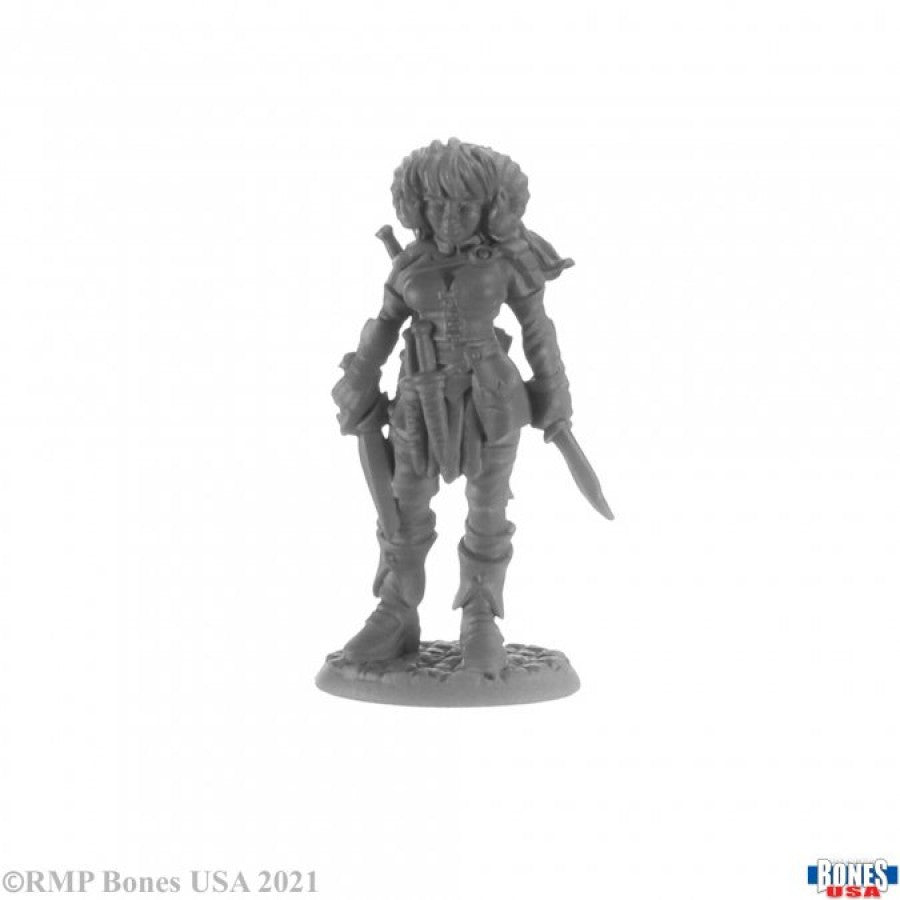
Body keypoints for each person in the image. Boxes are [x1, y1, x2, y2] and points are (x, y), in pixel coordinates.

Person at [332, 138, 575, 675]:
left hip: (493, 399)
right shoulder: (410, 263)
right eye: (437, 204)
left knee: (488, 510)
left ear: (491, 207)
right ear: (417, 205)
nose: (449, 218)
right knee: (404, 504)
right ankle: (396, 609)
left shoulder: (510, 260)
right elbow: (383, 326)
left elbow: (537, 330)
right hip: (417, 396)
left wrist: (554, 393)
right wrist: (359, 377)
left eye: (465, 206)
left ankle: (480, 615)